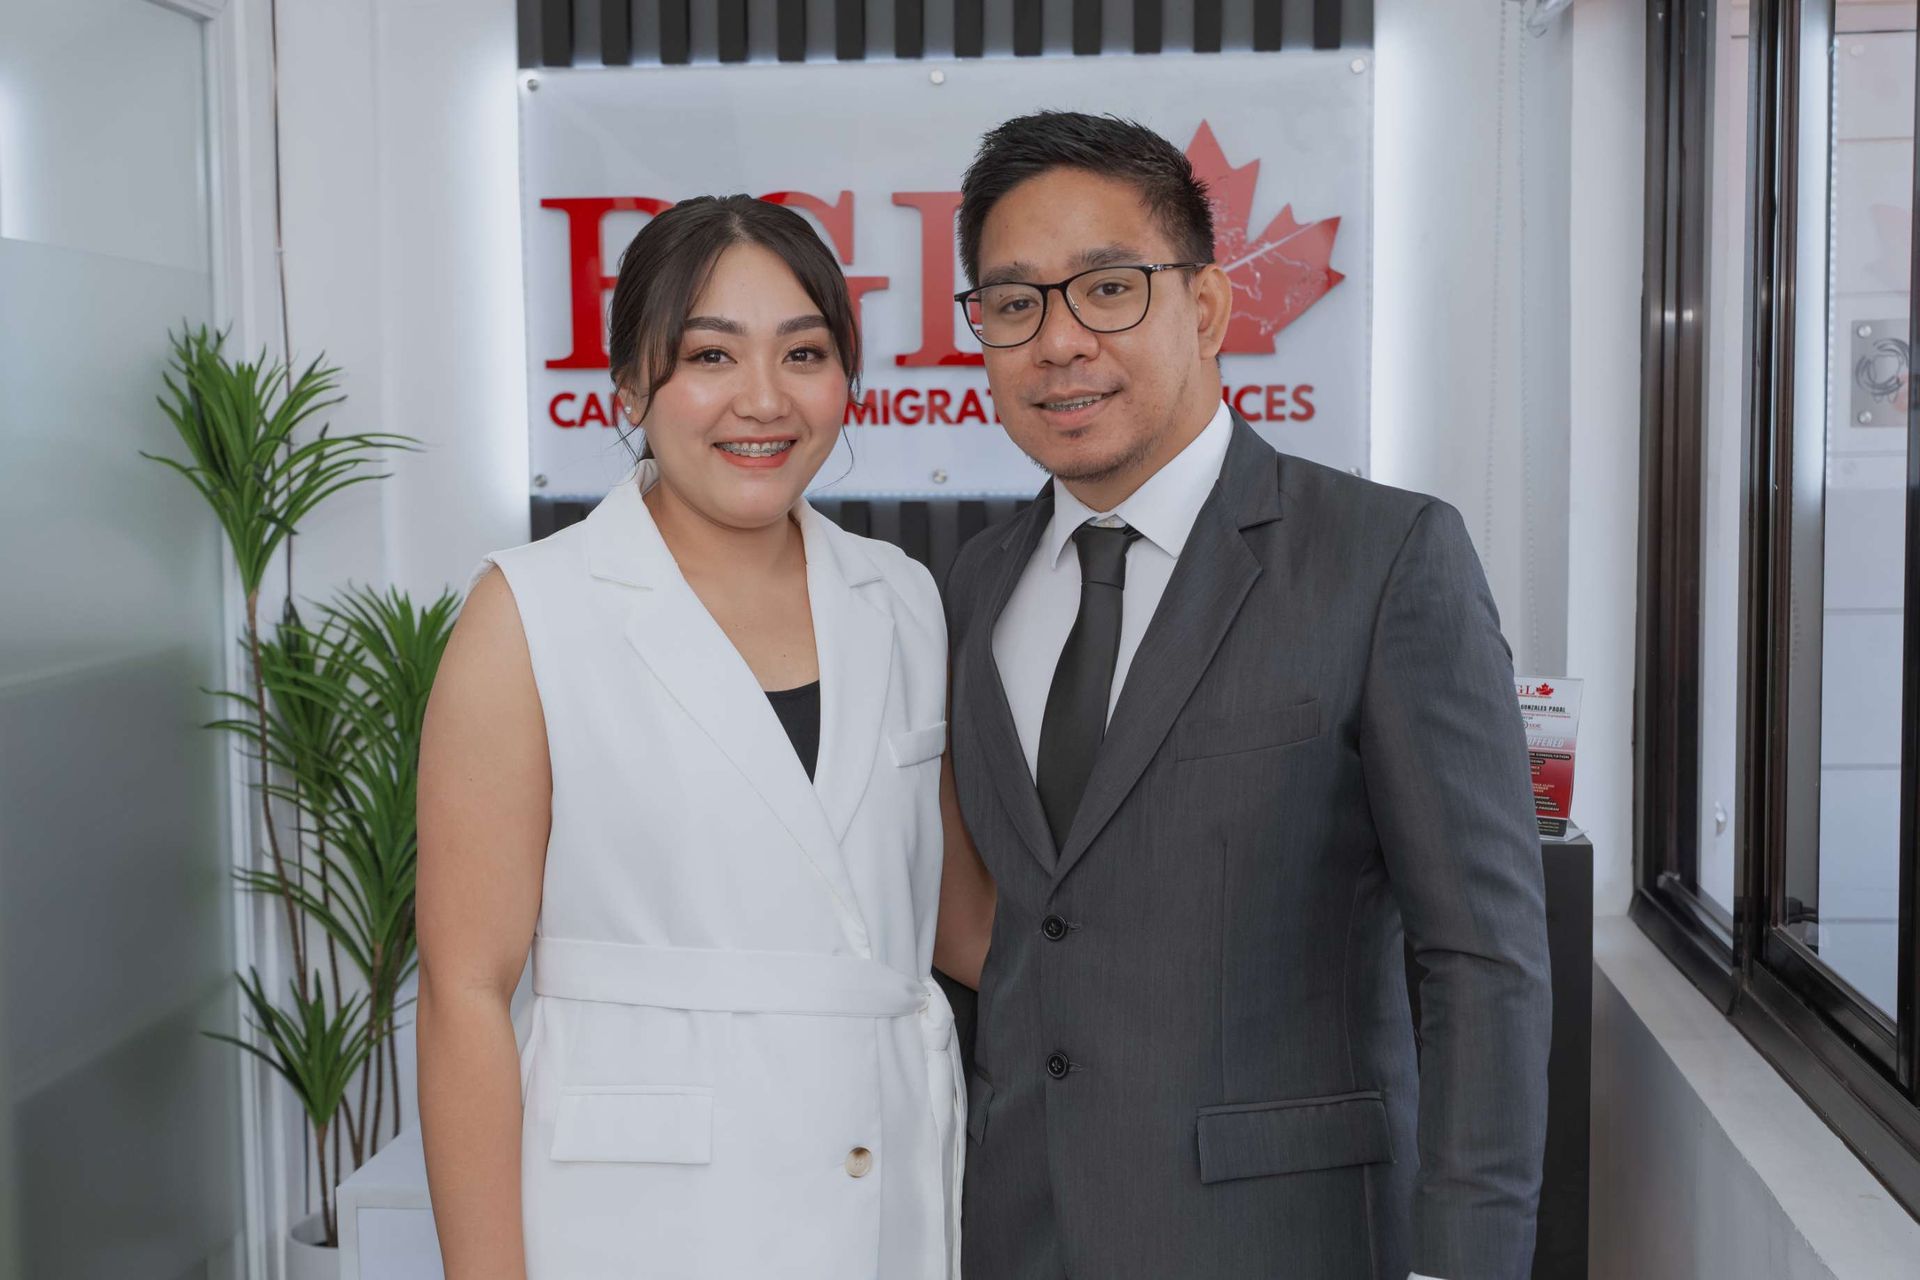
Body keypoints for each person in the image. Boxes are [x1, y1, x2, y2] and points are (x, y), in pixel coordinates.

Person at [941, 112, 1552, 1280]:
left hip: (1283, 1239)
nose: (1058, 341)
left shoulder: (1384, 558)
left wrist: (1464, 1262)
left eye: (1108, 289)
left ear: (1209, 307)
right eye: (1013, 303)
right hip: (1017, 1231)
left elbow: (1482, 959)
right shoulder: (978, 580)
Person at [414, 195, 992, 1279]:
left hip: (886, 1192)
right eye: (710, 355)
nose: (763, 400)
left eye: (804, 353)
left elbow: (953, 920)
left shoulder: (903, 596)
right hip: (645, 1218)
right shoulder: (530, 611)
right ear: (629, 384)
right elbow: (465, 993)